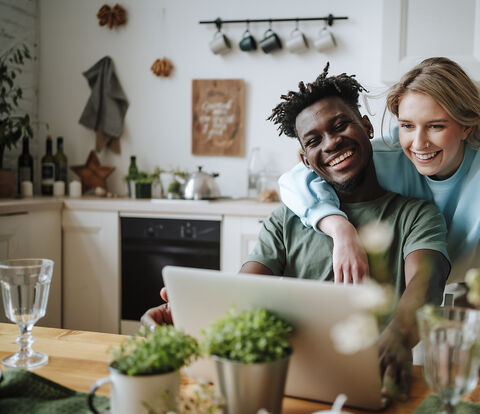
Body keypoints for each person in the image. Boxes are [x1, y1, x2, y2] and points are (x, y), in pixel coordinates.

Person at [142, 65, 451, 401]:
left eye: (340, 126)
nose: (331, 143)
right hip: (287, 383)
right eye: (314, 140)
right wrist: (186, 318)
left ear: (365, 126)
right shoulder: (284, 220)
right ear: (305, 160)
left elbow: (426, 283)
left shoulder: (416, 215)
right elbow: (241, 295)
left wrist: (398, 338)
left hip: (376, 381)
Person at [278, 57, 480, 399]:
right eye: (407, 125)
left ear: (466, 125)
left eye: (436, 126)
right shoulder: (392, 149)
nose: (418, 143)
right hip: (427, 271)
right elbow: (294, 179)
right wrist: (340, 229)